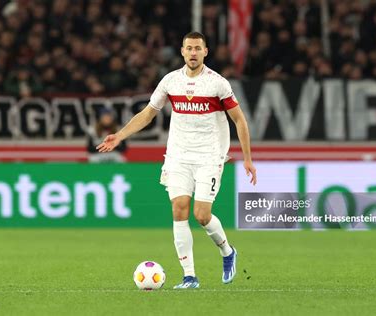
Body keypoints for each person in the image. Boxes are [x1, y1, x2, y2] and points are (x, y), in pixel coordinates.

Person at [97, 31, 257, 289]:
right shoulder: (170, 81)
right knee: (179, 210)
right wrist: (119, 135)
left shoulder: (218, 83)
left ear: (205, 52)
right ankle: (189, 276)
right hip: (178, 156)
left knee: (202, 215)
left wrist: (247, 158)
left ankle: (227, 252)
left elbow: (239, 119)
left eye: (197, 48)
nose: (193, 53)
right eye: (189, 48)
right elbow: (148, 113)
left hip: (209, 155)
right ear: (182, 51)